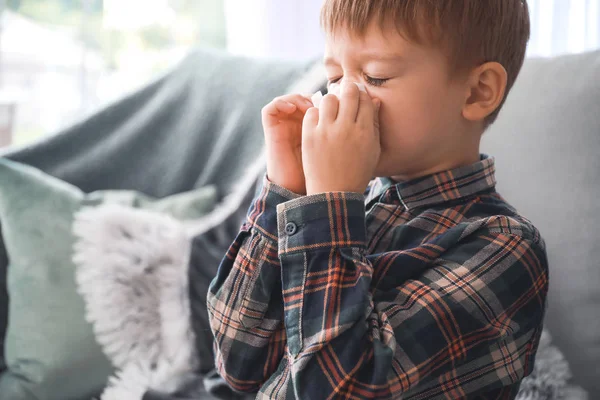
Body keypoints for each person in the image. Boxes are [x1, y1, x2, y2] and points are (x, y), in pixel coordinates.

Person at [207, 0, 549, 398]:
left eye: (376, 77)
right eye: (334, 76)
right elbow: (237, 363)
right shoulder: (356, 200)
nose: (341, 98)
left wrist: (329, 208)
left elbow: (336, 390)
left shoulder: (503, 246)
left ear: (477, 91)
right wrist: (287, 190)